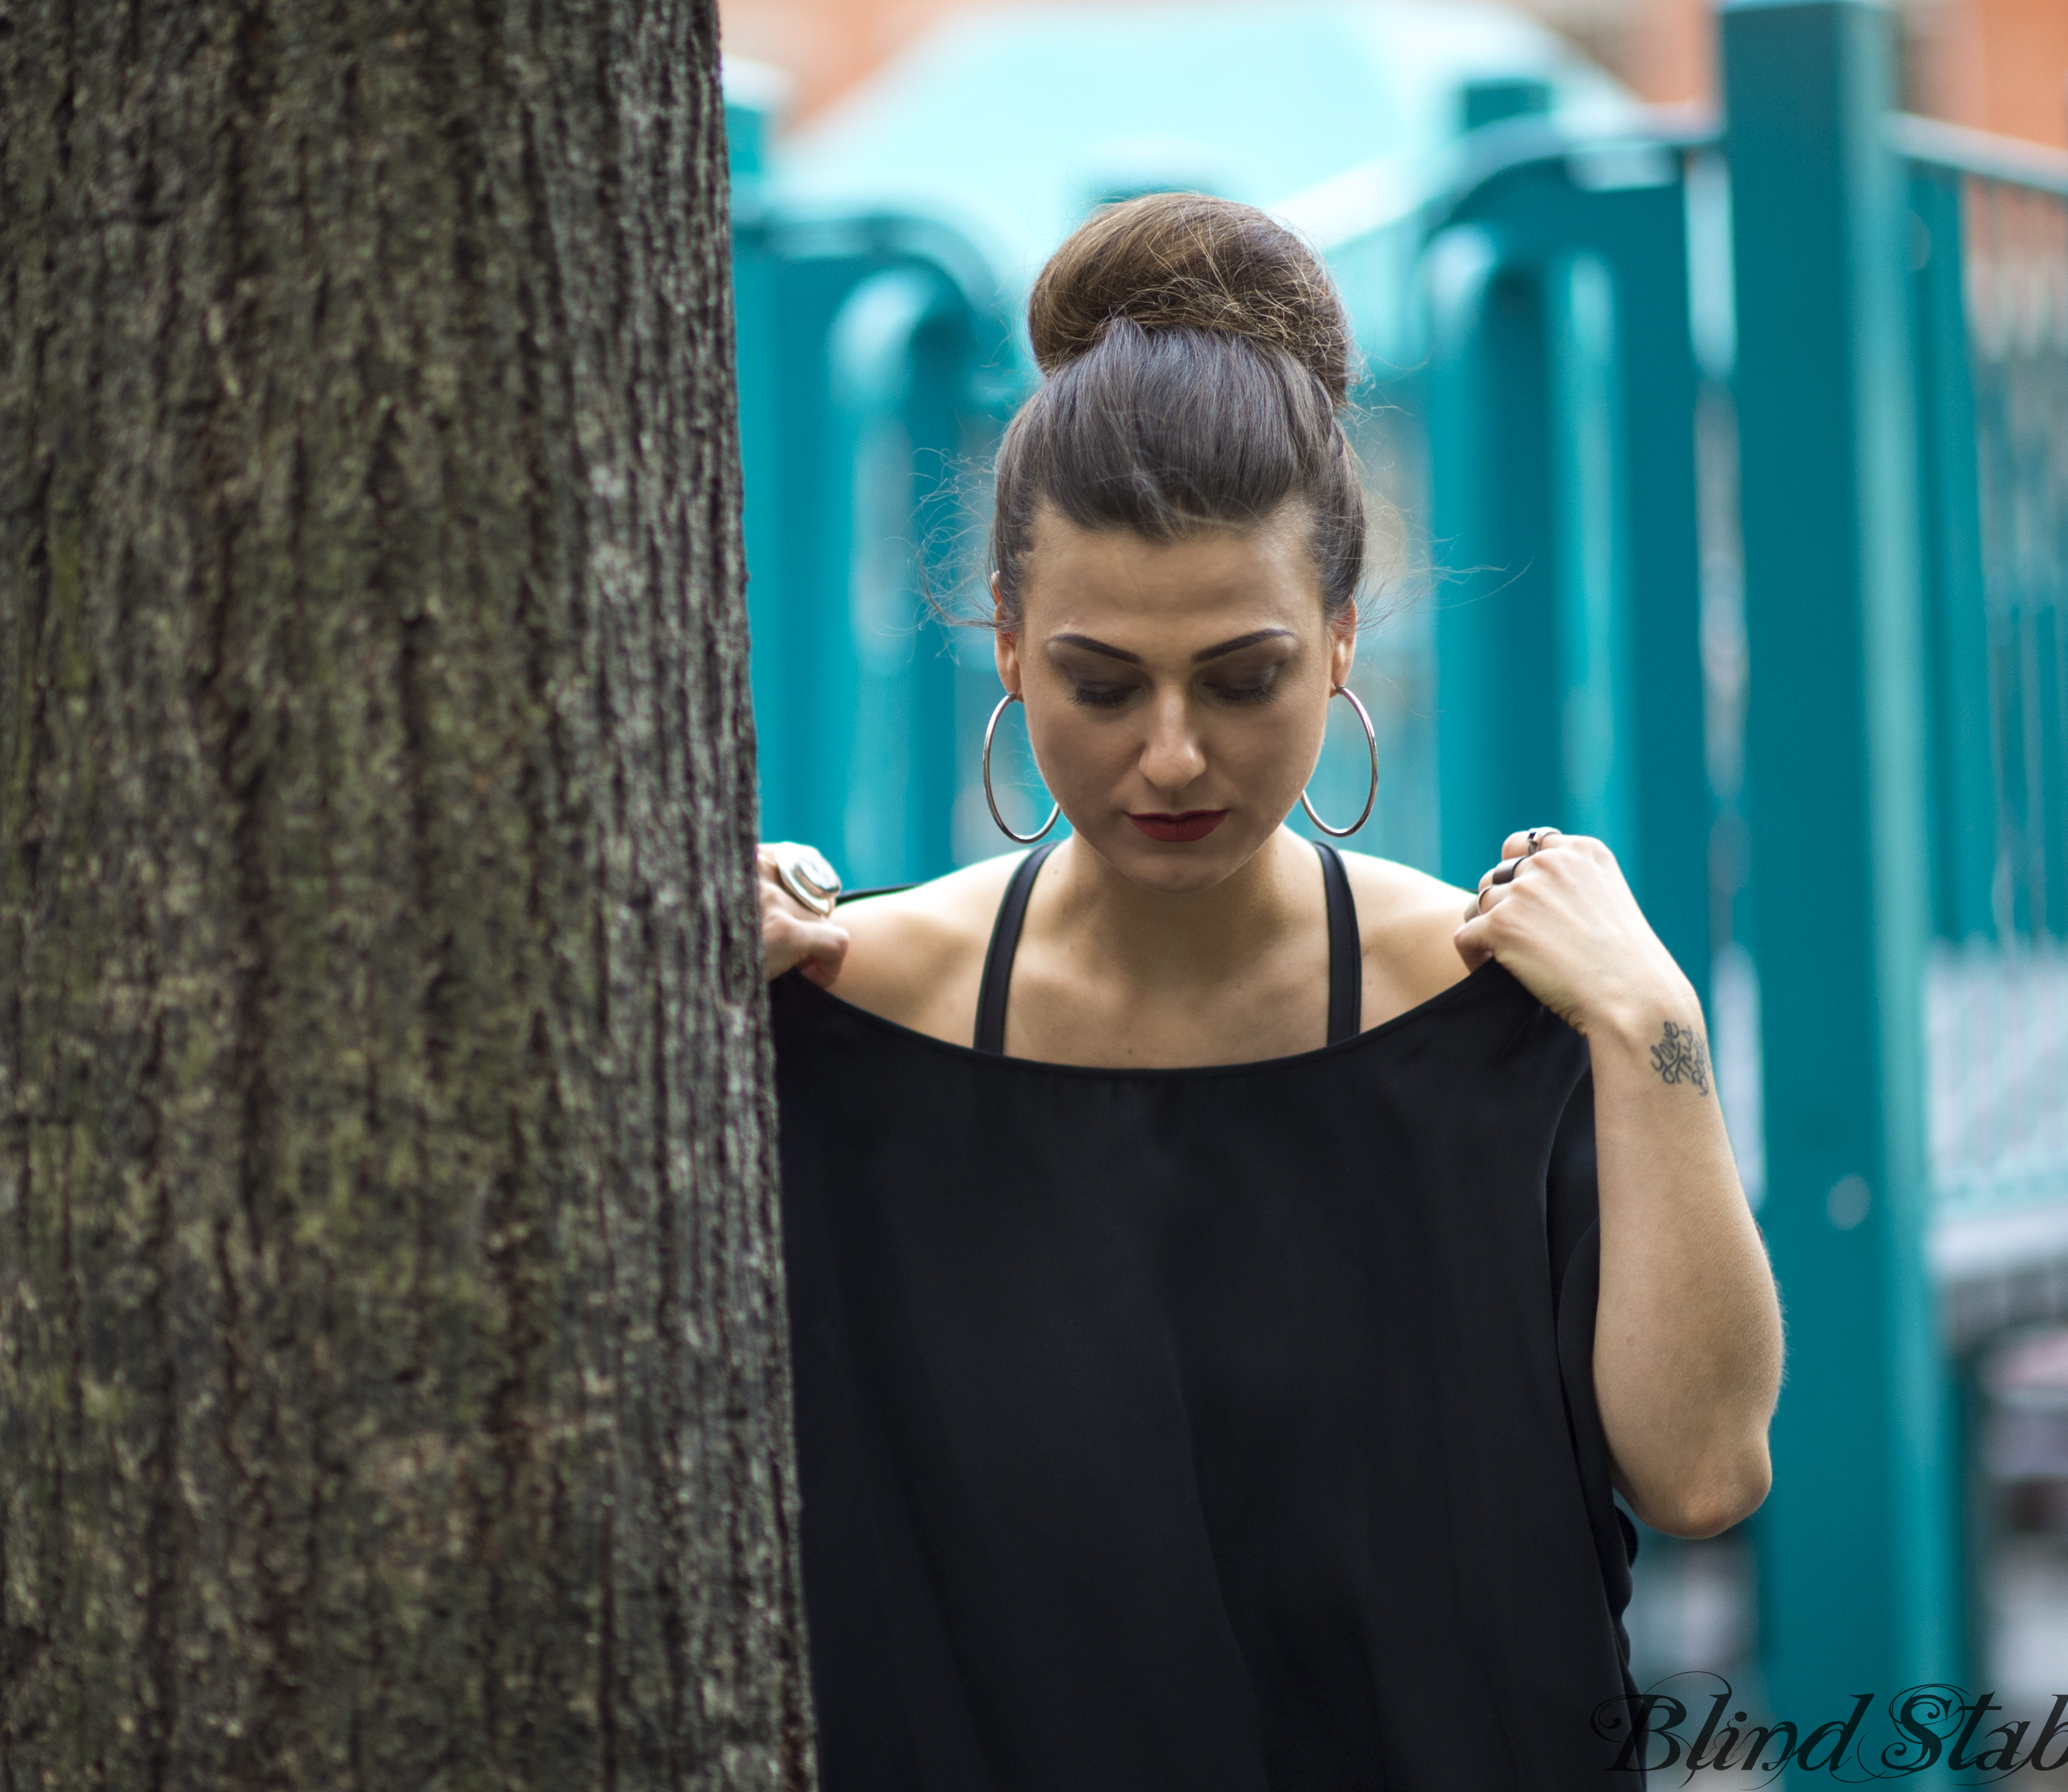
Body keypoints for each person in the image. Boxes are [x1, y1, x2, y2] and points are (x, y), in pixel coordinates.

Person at [752, 192, 1781, 1792]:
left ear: (1344, 641)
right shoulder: (841, 1008)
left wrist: (1661, 1036)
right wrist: (666, 1024)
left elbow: (1707, 1470)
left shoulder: (1506, 1008)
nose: (1173, 754)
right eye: (1102, 683)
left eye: (1244, 679)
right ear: (1008, 647)